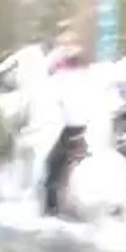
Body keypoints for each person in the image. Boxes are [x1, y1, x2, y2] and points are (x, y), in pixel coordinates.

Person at [43, 40, 94, 215]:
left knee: (51, 166)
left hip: (72, 132)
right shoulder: (88, 76)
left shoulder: (60, 79)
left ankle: (51, 212)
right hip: (92, 130)